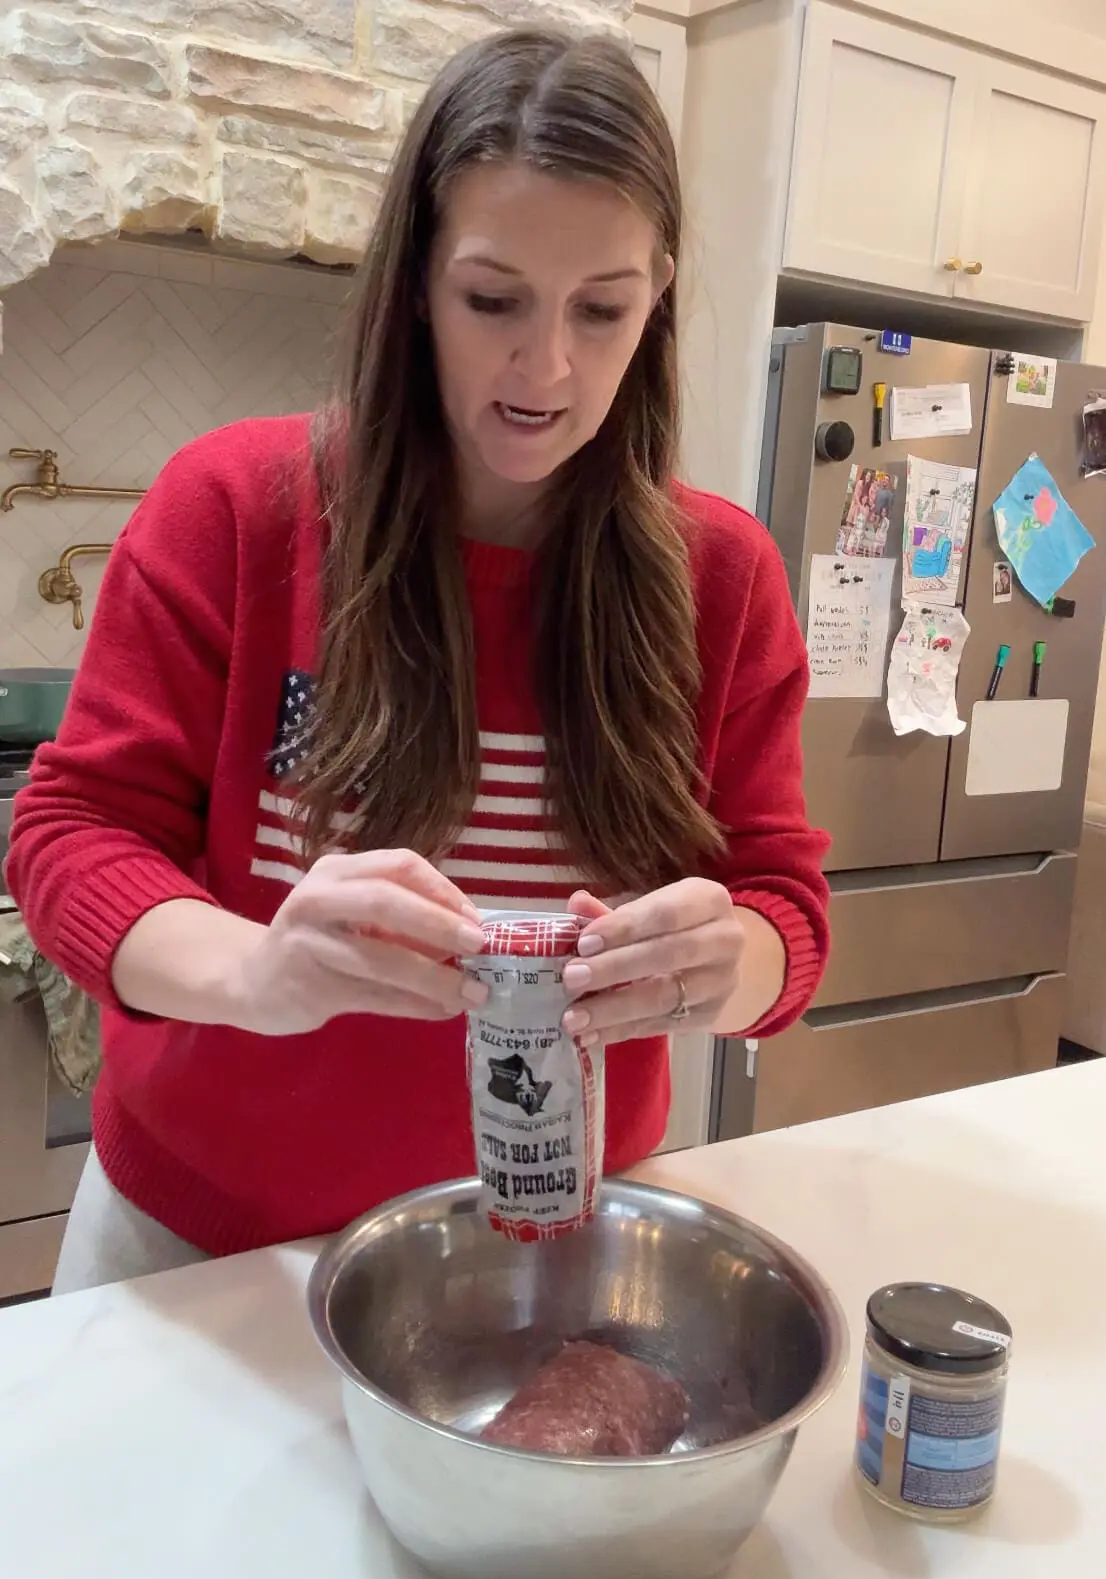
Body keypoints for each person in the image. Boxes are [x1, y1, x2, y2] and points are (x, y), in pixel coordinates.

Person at [6, 26, 830, 1294]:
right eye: (492, 299)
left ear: (655, 295)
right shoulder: (237, 507)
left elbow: (781, 905)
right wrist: (257, 970)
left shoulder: (720, 578)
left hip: (544, 1248)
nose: (547, 367)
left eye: (601, 309)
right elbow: (71, 834)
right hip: (203, 1254)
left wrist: (729, 970)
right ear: (415, 287)